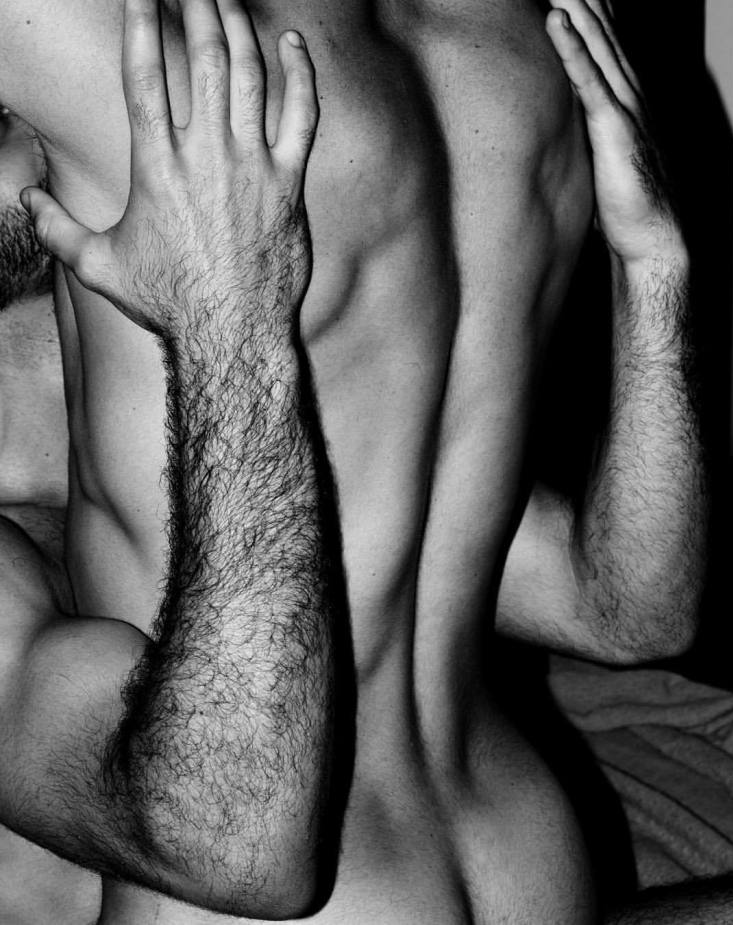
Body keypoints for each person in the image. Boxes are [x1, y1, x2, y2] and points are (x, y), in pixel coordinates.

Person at [2, 0, 708, 922]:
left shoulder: (150, 81)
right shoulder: (533, 39)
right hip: (523, 854)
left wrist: (230, 322)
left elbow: (237, 846)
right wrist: (658, 267)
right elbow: (632, 611)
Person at [0, 3, 345, 922]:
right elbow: (236, 844)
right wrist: (232, 323)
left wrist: (660, 271)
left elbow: (615, 610)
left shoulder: (143, 371)